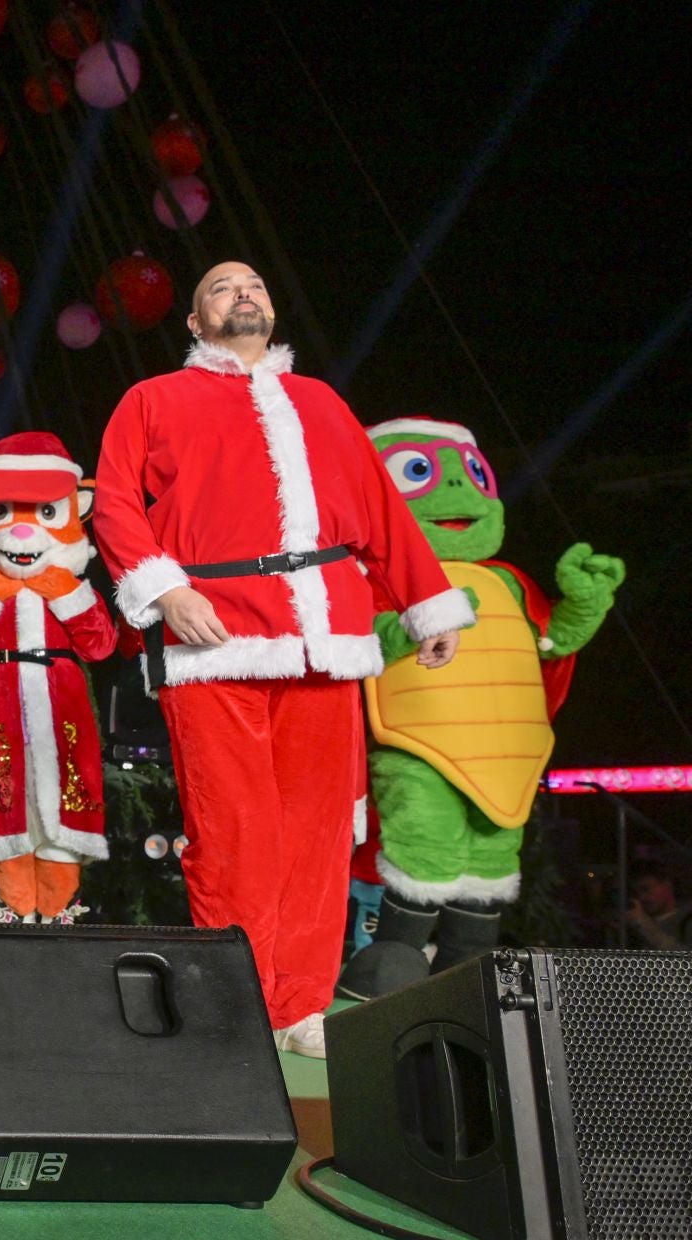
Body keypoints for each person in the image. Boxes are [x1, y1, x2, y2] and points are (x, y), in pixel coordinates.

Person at [89, 261, 474, 1058]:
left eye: (256, 286)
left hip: (323, 641)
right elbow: (116, 501)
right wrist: (167, 592)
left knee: (318, 836)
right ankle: (235, 1007)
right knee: (233, 833)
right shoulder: (153, 399)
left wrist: (426, 602)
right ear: (194, 321)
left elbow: (382, 511)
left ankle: (300, 1006)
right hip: (214, 641)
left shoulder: (322, 402)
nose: (244, 294)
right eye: (223, 288)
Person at [627, 858, 691, 950]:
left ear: (668, 884)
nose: (641, 897)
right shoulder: (633, 925)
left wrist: (642, 924)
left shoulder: (687, 920)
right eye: (636, 893)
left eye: (646, 889)